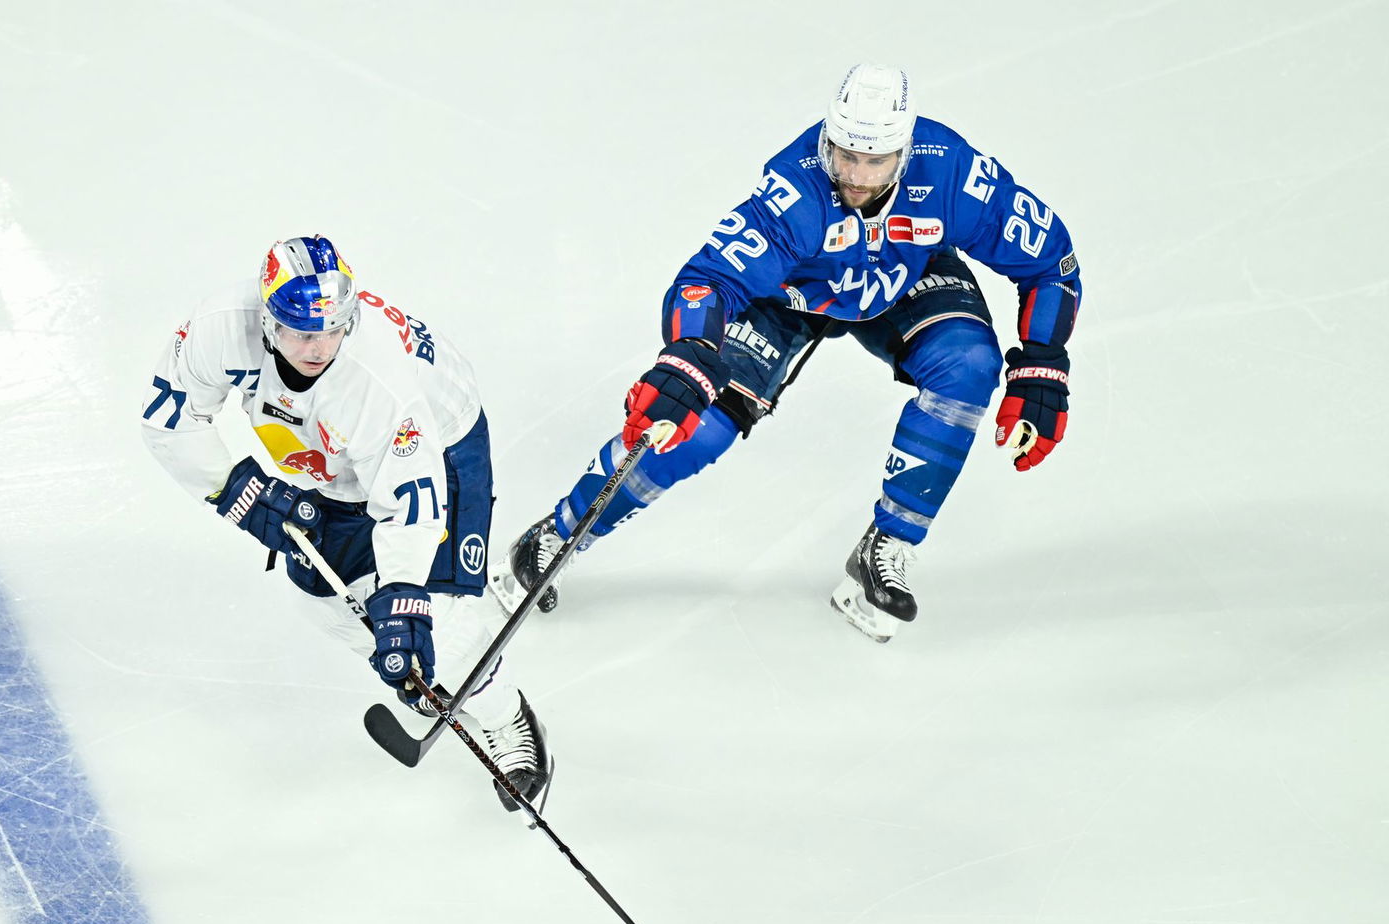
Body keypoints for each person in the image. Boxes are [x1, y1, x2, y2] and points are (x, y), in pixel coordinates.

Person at [491, 63, 1082, 641]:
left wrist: (1042, 363)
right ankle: (559, 533)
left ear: (903, 152)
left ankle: (889, 544)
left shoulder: (952, 172)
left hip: (902, 279)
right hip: (791, 295)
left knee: (969, 368)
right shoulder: (796, 191)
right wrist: (690, 353)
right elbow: (707, 280)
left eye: (873, 160)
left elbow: (1050, 259)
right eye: (844, 154)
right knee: (697, 428)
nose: (853, 173)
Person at [141, 235, 551, 808]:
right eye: (303, 332)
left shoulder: (372, 375)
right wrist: (238, 492)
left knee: (434, 616)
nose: (319, 346)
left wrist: (404, 599)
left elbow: (409, 497)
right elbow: (168, 420)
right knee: (324, 595)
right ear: (267, 320)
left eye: (334, 327)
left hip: (440, 443)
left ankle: (507, 717)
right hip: (336, 457)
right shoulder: (219, 331)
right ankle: (423, 672)